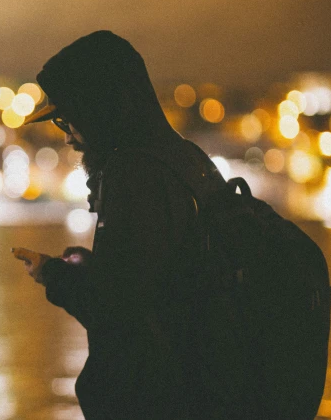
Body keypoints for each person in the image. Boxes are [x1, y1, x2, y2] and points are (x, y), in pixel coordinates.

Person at [16, 30, 226, 419]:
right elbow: (161, 279)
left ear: (100, 108)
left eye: (67, 118)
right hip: (201, 389)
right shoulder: (182, 157)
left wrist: (55, 277)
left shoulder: (134, 173)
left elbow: (118, 310)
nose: (67, 135)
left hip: (162, 400)